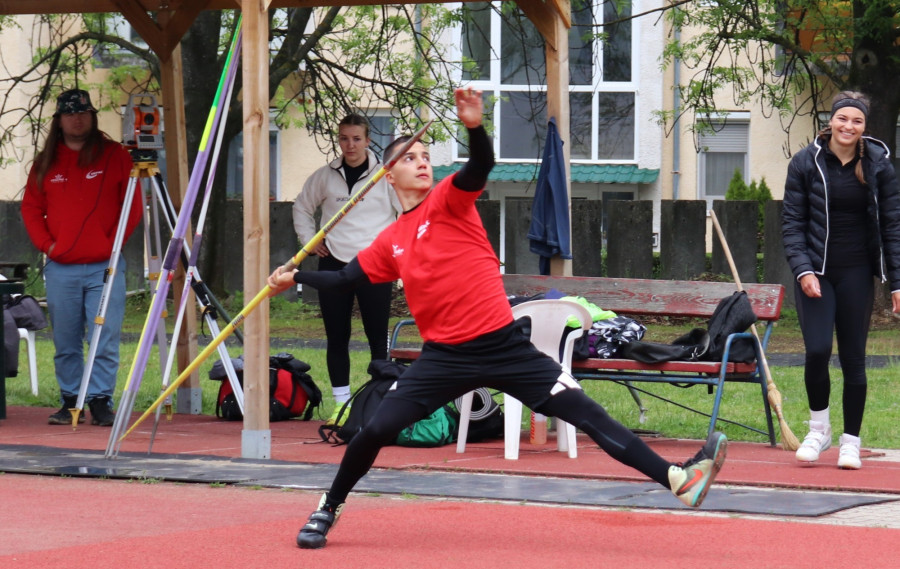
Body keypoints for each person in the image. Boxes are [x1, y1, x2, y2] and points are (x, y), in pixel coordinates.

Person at [269, 88, 728, 550]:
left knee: (587, 412)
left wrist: (475, 126)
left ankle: (677, 479)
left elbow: (479, 166)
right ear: (389, 175)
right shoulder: (392, 239)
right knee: (375, 430)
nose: (424, 163)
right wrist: (296, 277)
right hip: (443, 360)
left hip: (506, 349)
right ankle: (328, 506)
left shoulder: (449, 198)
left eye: (427, 156)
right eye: (411, 158)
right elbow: (348, 276)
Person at [782, 90, 900, 469]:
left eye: (857, 121)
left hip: (856, 273)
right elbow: (792, 223)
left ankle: (851, 440)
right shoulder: (805, 162)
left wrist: (896, 283)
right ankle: (819, 429)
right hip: (816, 272)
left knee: (853, 359)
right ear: (830, 121)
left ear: (865, 126)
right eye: (843, 118)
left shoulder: (879, 165)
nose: (848, 126)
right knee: (817, 351)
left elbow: (892, 227)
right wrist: (802, 269)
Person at [21, 89, 142, 426]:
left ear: (92, 116)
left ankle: (101, 399)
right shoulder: (46, 161)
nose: (78, 118)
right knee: (66, 339)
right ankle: (70, 399)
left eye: (84, 112)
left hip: (106, 265)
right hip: (61, 267)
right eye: (71, 113)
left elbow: (131, 204)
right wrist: (48, 245)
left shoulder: (115, 155)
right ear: (59, 120)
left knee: (105, 336)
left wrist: (112, 243)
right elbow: (31, 208)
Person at [292, 114, 401, 423]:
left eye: (356, 139)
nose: (350, 145)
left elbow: (407, 212)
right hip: (333, 262)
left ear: (368, 141)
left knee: (377, 337)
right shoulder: (325, 176)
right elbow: (301, 206)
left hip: (375, 265)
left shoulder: (385, 175)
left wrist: (394, 250)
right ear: (338, 140)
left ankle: (378, 401)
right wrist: (308, 241)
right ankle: (341, 406)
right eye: (344, 138)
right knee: (336, 336)